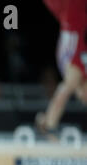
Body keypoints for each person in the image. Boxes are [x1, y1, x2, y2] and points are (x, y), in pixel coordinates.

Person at [36, 0, 87, 135]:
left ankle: (48, 122)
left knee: (69, 86)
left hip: (73, 45)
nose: (82, 99)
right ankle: (48, 123)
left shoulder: (76, 76)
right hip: (73, 41)